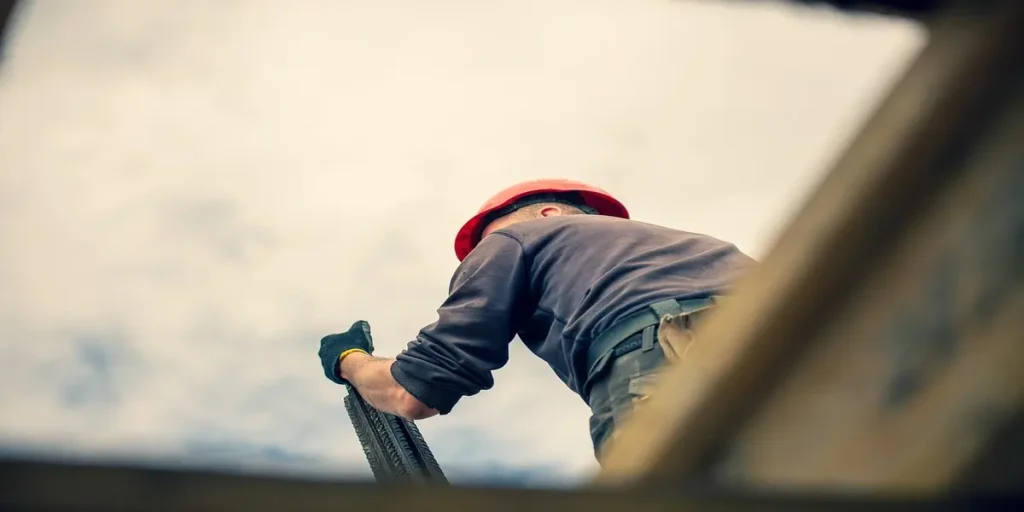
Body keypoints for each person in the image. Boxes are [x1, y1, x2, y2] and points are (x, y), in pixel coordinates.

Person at [318, 179, 756, 462]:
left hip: (664, 352)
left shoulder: (522, 237)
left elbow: (413, 390)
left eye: (485, 241)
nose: (481, 254)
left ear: (549, 212)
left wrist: (349, 359)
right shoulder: (702, 246)